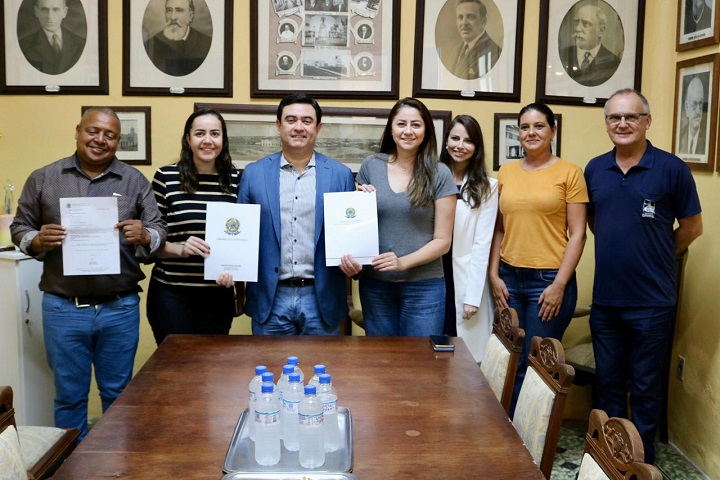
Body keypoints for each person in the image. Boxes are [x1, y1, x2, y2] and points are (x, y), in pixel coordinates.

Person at [10, 107, 167, 440]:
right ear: (78, 131)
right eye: (93, 131)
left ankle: (115, 462)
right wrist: (36, 240)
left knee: (118, 395)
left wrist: (145, 235)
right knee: (69, 397)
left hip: (119, 307)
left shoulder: (134, 180)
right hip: (64, 307)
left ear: (117, 141)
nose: (100, 140)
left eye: (110, 135)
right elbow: (20, 227)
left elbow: (158, 229)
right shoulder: (44, 178)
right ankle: (71, 464)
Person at [585, 89, 703, 464]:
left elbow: (692, 227)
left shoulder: (672, 169)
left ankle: (641, 462)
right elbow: (594, 222)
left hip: (652, 303)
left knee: (646, 387)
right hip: (606, 300)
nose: (622, 124)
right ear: (607, 123)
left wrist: (659, 254)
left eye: (631, 117)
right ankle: (611, 459)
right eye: (614, 117)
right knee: (608, 383)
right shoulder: (594, 169)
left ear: (647, 121)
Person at [489, 102, 588, 417]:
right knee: (509, 359)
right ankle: (507, 431)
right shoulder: (506, 172)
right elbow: (499, 229)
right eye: (524, 127)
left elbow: (578, 234)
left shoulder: (570, 172)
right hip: (509, 278)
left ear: (553, 131)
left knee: (538, 365)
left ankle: (532, 436)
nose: (531, 133)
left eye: (539, 126)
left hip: (548, 281)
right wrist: (494, 275)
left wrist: (559, 285)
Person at [234, 94, 355, 335]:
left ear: (318, 128)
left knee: (322, 361)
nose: (299, 127)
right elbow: (239, 236)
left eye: (307, 121)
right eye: (291, 120)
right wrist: (230, 269)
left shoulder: (340, 175)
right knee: (270, 361)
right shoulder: (253, 174)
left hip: (321, 297)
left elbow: (350, 233)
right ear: (278, 125)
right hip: (270, 298)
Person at [339, 98, 457, 337]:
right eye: (401, 124)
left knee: (420, 356)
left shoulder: (440, 173)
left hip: (424, 287)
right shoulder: (371, 166)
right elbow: (356, 224)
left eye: (416, 125)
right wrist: (358, 200)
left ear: (426, 131)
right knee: (381, 356)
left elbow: (443, 241)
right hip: (376, 285)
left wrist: (402, 263)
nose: (408, 131)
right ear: (391, 129)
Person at [147, 109, 242, 345]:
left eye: (215, 134)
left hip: (218, 294)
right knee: (174, 361)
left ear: (223, 140)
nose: (208, 140)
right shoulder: (166, 177)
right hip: (171, 293)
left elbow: (244, 239)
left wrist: (237, 275)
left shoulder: (237, 180)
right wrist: (180, 249)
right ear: (188, 139)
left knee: (212, 363)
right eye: (200, 133)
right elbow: (149, 240)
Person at [439, 115, 498, 362]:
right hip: (431, 273)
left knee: (464, 359)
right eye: (455, 138)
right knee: (431, 351)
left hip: (463, 276)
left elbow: (482, 244)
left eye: (468, 141)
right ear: (446, 142)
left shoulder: (488, 186)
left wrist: (473, 297)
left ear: (476, 147)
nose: (460, 146)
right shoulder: (430, 178)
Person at [144, 0, 212, 77]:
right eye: (169, 10)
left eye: (179, 10)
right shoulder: (151, 44)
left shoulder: (207, 43)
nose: (173, 17)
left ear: (190, 16)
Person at [560, 3, 621, 87]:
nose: (578, 28)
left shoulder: (614, 62)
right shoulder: (563, 54)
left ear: (601, 30)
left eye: (586, 24)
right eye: (576, 22)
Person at [18, 0, 85, 75]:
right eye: (44, 9)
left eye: (56, 10)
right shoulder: (24, 45)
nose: (49, 16)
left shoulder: (80, 43)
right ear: (36, 11)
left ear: (64, 12)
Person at [442, 0, 502, 80]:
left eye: (470, 17)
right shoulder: (455, 51)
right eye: (460, 17)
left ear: (483, 22)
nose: (464, 23)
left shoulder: (495, 54)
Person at [678, 76, 707, 155]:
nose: (698, 111)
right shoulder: (680, 136)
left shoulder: (706, 138)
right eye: (694, 104)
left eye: (700, 103)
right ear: (687, 107)